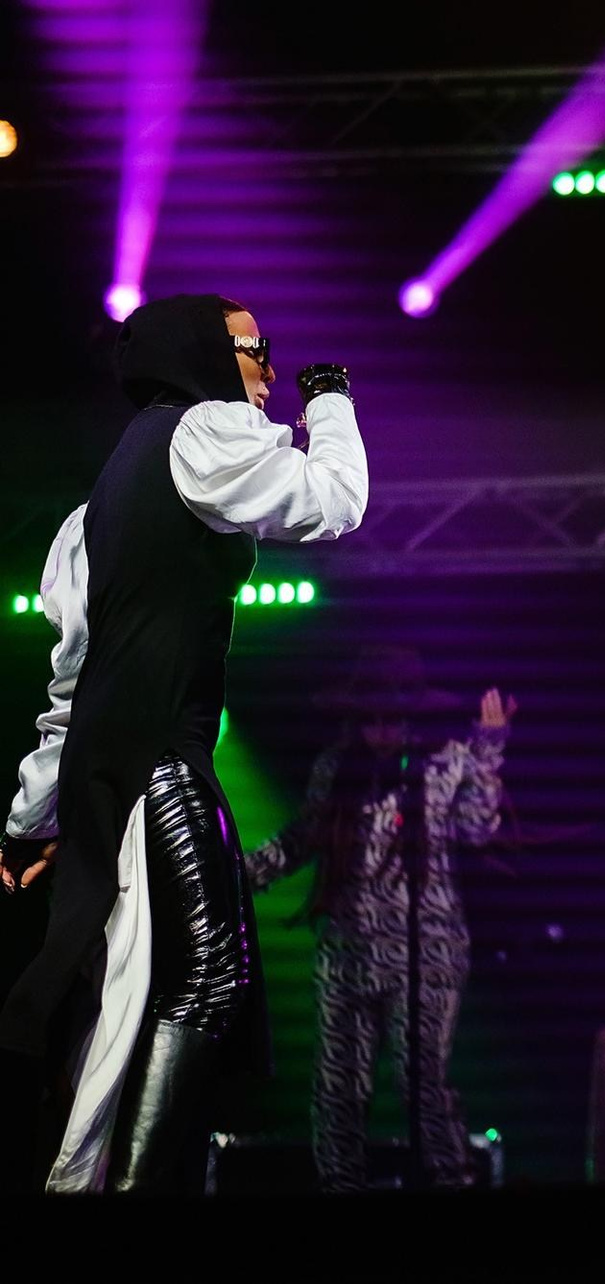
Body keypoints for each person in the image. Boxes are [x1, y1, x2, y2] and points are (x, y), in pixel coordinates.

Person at [1, 294, 366, 1191]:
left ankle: (102, 1180)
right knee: (205, 975)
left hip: (112, 758)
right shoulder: (202, 432)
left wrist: (31, 818)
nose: (270, 366)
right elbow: (336, 502)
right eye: (253, 347)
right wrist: (330, 397)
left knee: (140, 985)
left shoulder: (100, 502)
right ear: (200, 352)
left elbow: (70, 684)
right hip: (160, 747)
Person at [245, 647, 513, 1191]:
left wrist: (488, 749)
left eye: (394, 717)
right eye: (373, 718)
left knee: (424, 1083)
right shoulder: (335, 768)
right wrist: (238, 874)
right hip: (348, 954)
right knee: (337, 1088)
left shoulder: (443, 763)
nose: (384, 729)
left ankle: (450, 1179)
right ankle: (340, 1184)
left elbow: (478, 829)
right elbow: (304, 836)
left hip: (428, 954)